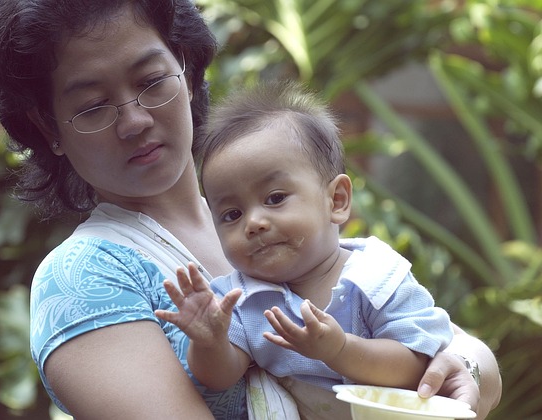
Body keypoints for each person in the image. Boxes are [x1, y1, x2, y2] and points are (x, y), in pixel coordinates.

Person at [0, 0, 502, 419]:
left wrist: (462, 373)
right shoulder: (84, 279)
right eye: (91, 105)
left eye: (151, 80)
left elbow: (457, 351)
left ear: (185, 67)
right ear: (49, 129)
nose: (134, 121)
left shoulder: (274, 219)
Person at [155, 80, 454, 414]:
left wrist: (339, 349)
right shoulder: (241, 299)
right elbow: (222, 376)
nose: (253, 223)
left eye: (275, 198)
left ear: (336, 201)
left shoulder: (378, 278)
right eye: (232, 214)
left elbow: (417, 365)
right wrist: (209, 342)